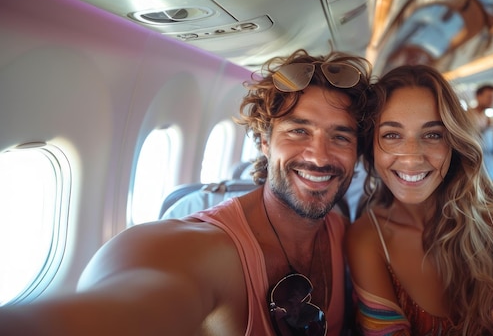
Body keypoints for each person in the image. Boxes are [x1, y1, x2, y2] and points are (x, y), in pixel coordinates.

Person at [0, 49, 372, 336]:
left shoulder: (340, 229)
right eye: (298, 130)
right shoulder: (200, 251)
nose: (319, 155)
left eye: (340, 136)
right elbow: (126, 304)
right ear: (263, 141)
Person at [345, 65, 493, 335]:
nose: (412, 156)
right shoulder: (367, 237)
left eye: (432, 134)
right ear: (370, 146)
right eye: (392, 135)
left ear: (453, 142)